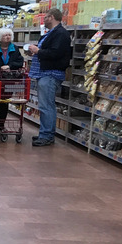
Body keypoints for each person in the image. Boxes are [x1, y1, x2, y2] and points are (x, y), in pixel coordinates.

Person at [28, 8, 71, 147]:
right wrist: (35, 53)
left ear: (51, 17)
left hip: (51, 74)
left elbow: (55, 53)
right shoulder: (51, 33)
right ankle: (44, 133)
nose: (43, 20)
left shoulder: (60, 34)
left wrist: (38, 51)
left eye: (45, 17)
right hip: (44, 73)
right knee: (45, 105)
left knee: (46, 105)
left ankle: (47, 135)